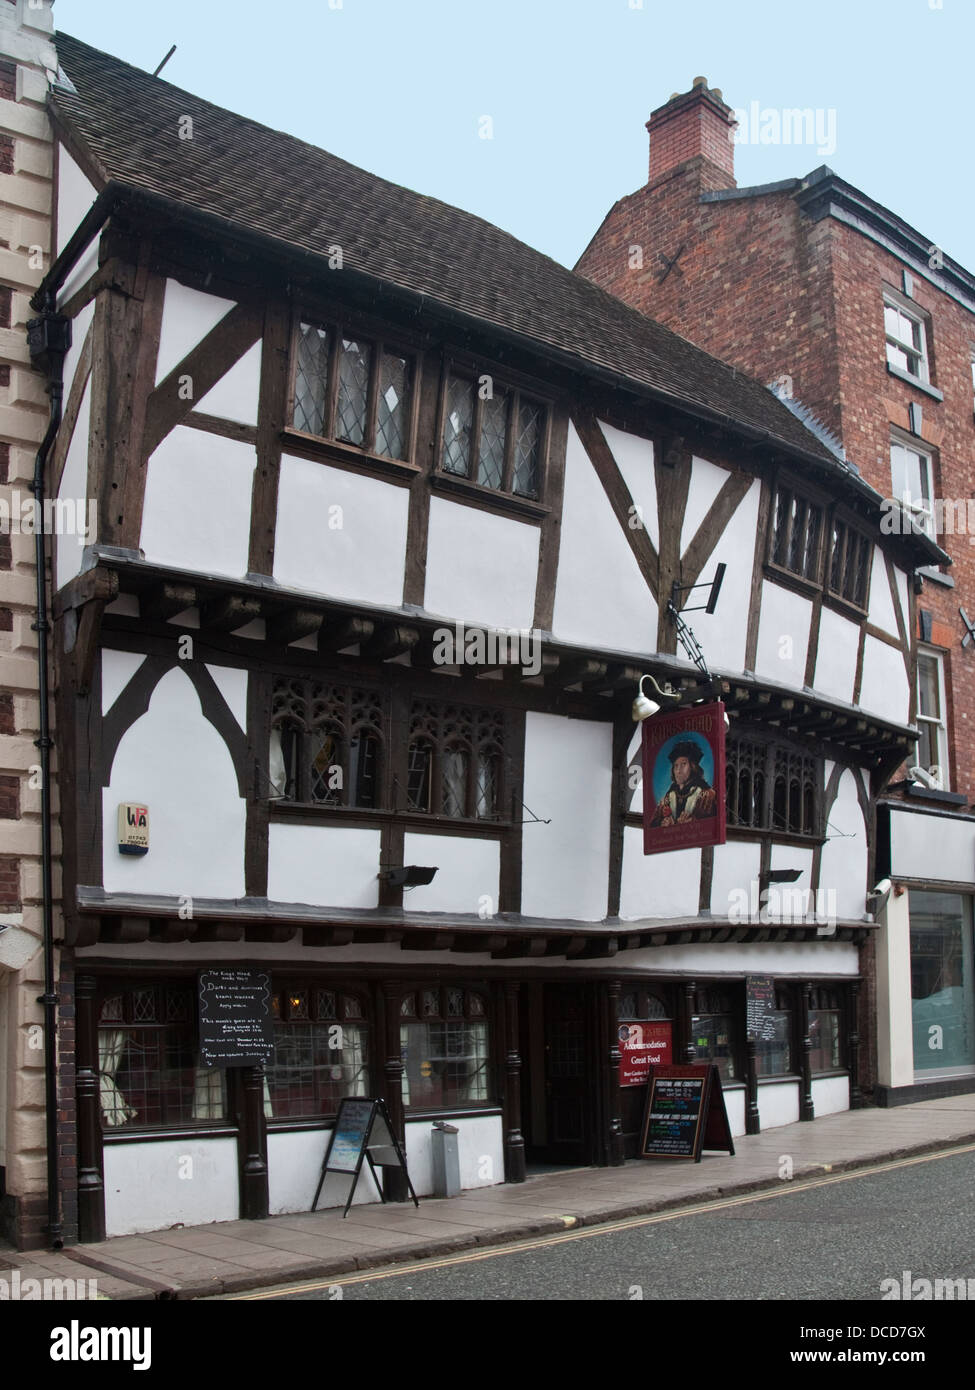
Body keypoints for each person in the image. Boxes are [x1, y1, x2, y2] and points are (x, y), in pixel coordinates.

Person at [649, 738, 717, 827]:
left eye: (683, 764)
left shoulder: (707, 795)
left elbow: (713, 825)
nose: (678, 770)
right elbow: (652, 826)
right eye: (676, 766)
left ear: (693, 767)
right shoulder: (667, 799)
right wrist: (663, 823)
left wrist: (693, 822)